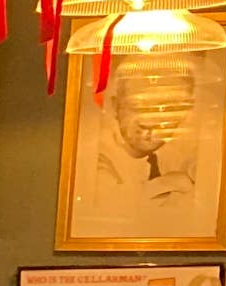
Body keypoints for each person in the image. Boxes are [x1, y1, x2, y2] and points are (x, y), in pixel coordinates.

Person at [78, 56, 206, 237]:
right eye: (139, 106)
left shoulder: (184, 155)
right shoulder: (92, 160)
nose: (151, 120)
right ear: (116, 107)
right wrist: (171, 183)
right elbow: (112, 212)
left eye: (168, 108)